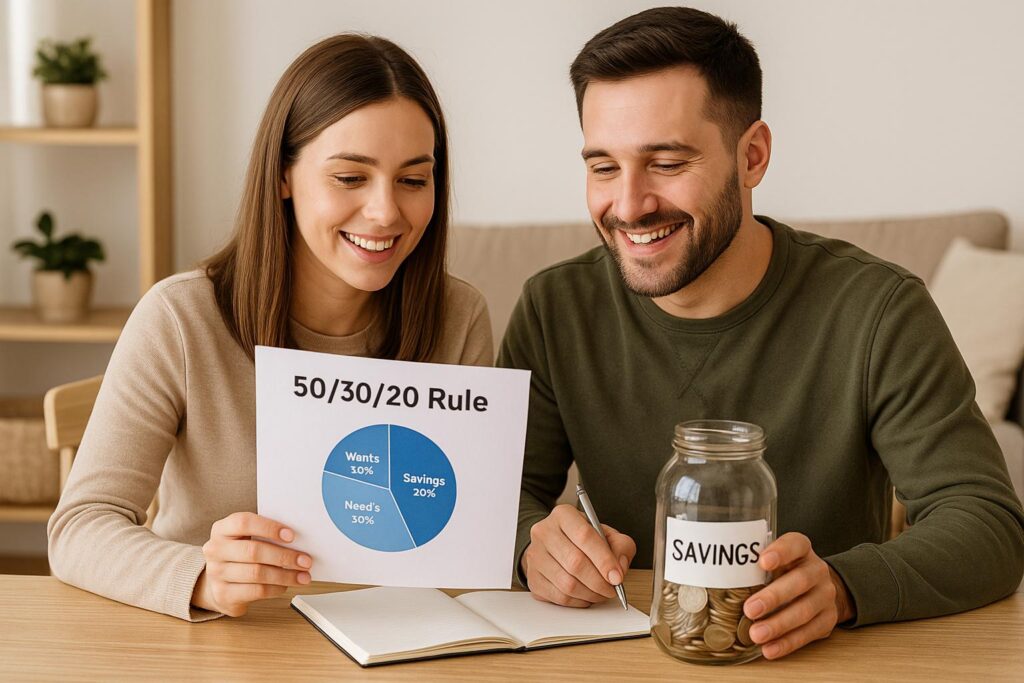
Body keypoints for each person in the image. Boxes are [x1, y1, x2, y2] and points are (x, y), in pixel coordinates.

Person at [498, 6, 1024, 659]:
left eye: (665, 162)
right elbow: (496, 496)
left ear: (752, 156)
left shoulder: (878, 310)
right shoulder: (555, 307)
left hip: (820, 661)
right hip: (620, 657)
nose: (628, 204)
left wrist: (841, 586)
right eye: (603, 166)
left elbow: (988, 523)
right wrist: (531, 545)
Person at [48, 34, 492, 621]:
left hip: (398, 637)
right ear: (283, 175)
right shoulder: (181, 319)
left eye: (413, 180)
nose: (387, 212)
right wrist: (201, 577)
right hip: (222, 645)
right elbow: (79, 527)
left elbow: (473, 525)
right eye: (350, 178)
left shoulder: (459, 317)